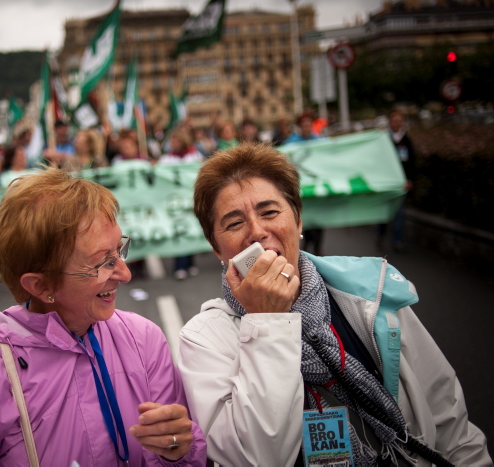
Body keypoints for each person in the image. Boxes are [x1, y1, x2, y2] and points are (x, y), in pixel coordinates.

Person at [177, 143, 491, 466]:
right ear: (217, 249)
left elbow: (449, 421)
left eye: (270, 212)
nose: (257, 232)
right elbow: (257, 456)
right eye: (234, 223)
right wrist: (267, 320)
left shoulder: (372, 293)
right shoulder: (203, 339)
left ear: (298, 222)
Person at [0, 168, 206, 466]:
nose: (125, 273)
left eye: (120, 250)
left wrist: (179, 451)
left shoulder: (143, 340)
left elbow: (178, 453)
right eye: (103, 263)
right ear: (41, 286)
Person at [159, 127, 205, 280]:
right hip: (174, 202)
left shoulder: (194, 156)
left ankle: (189, 263)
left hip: (189, 200)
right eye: (172, 140)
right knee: (178, 231)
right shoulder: (167, 159)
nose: (173, 143)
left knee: (190, 230)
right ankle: (179, 266)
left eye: (176, 140)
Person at [286, 111, 325, 255]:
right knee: (306, 216)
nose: (306, 127)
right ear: (299, 126)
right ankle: (308, 243)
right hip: (301, 187)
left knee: (320, 216)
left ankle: (317, 247)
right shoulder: (291, 143)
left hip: (317, 185)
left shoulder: (320, 141)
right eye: (304, 125)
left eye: (309, 124)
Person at [377, 109, 416, 253]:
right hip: (387, 184)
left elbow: (412, 162)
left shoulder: (406, 140)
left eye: (399, 121)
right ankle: (380, 235)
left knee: (399, 214)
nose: (397, 123)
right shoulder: (384, 139)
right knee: (384, 214)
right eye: (394, 120)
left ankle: (397, 241)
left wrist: (410, 180)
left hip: (401, 185)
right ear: (390, 122)